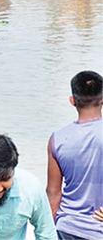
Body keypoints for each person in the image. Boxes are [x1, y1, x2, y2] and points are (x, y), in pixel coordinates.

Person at [46, 71, 103, 240]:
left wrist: (50, 231)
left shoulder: (57, 139)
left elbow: (53, 193)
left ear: (72, 101)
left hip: (67, 227)